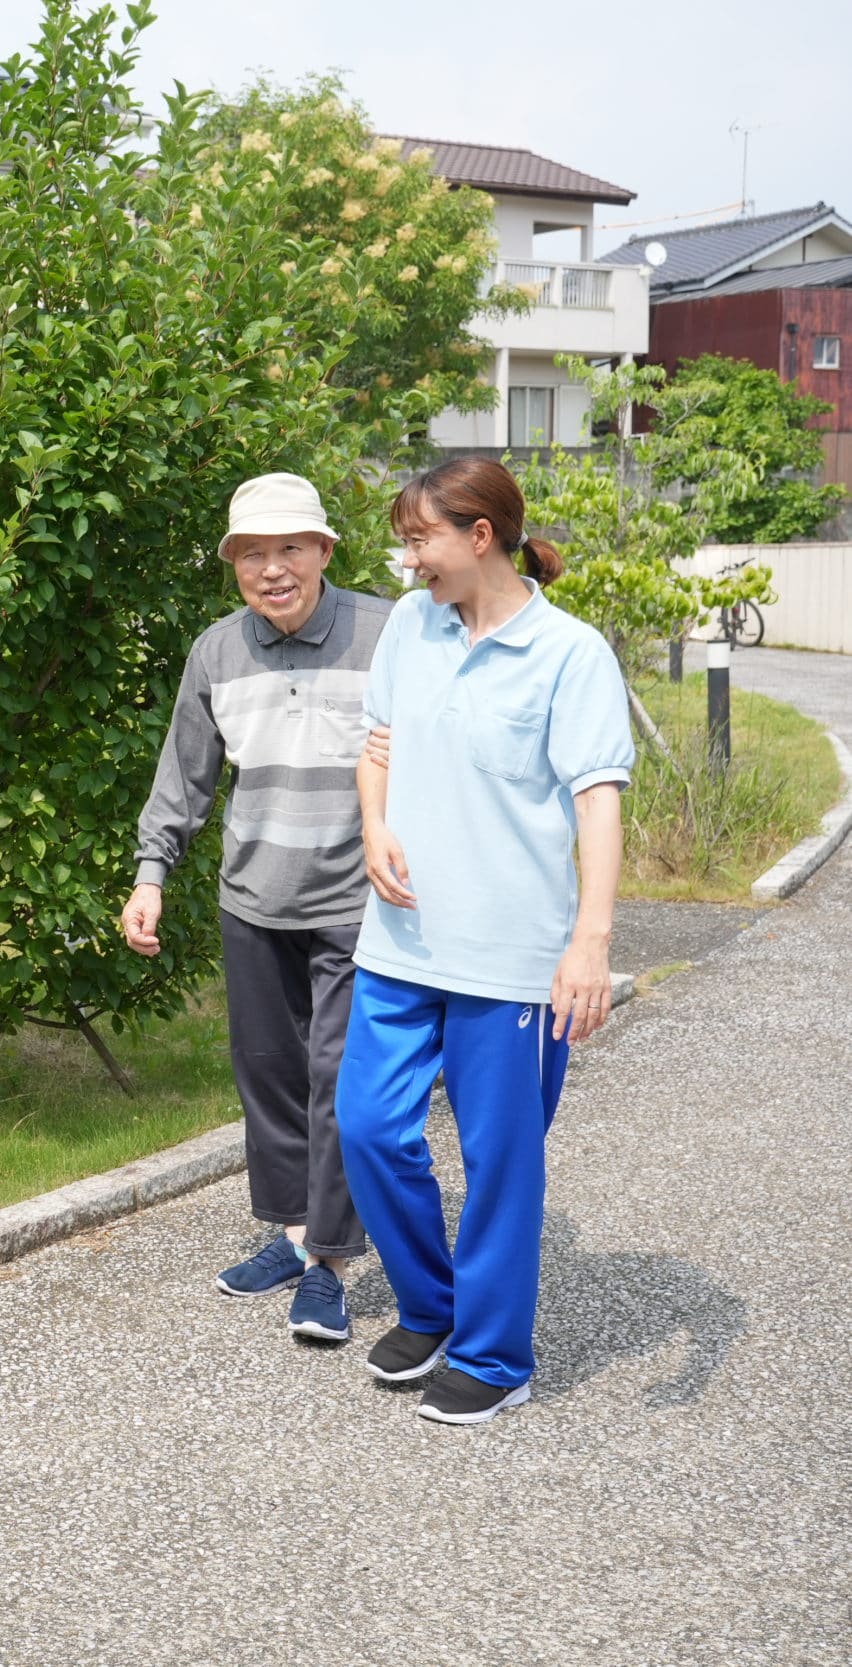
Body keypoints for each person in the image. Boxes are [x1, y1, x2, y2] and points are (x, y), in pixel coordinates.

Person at [339, 456, 632, 1426]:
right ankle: (430, 1301)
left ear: (478, 535)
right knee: (370, 1127)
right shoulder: (407, 630)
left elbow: (596, 801)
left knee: (502, 1157)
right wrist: (375, 821)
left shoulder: (568, 652)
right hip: (400, 941)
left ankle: (495, 1353)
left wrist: (589, 941)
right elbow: (376, 743)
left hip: (511, 957)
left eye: (419, 536)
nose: (407, 554)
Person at [124, 472, 390, 1345]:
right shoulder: (217, 652)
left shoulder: (389, 634)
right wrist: (151, 874)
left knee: (339, 1081)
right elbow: (184, 778)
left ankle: (328, 1263)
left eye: (289, 548)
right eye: (252, 554)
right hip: (254, 899)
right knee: (269, 1076)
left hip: (361, 902)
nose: (272, 569)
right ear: (233, 565)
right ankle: (287, 1231)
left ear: (323, 550)